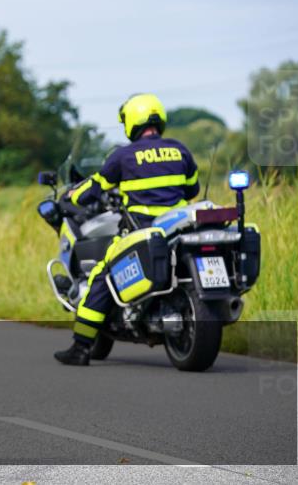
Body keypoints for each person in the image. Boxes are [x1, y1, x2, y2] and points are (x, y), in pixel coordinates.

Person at [54, 93, 199, 366]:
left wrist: (72, 196)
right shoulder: (180, 150)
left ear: (132, 121)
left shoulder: (123, 155)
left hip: (141, 230)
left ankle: (81, 348)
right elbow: (193, 189)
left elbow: (96, 187)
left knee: (102, 275)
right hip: (177, 228)